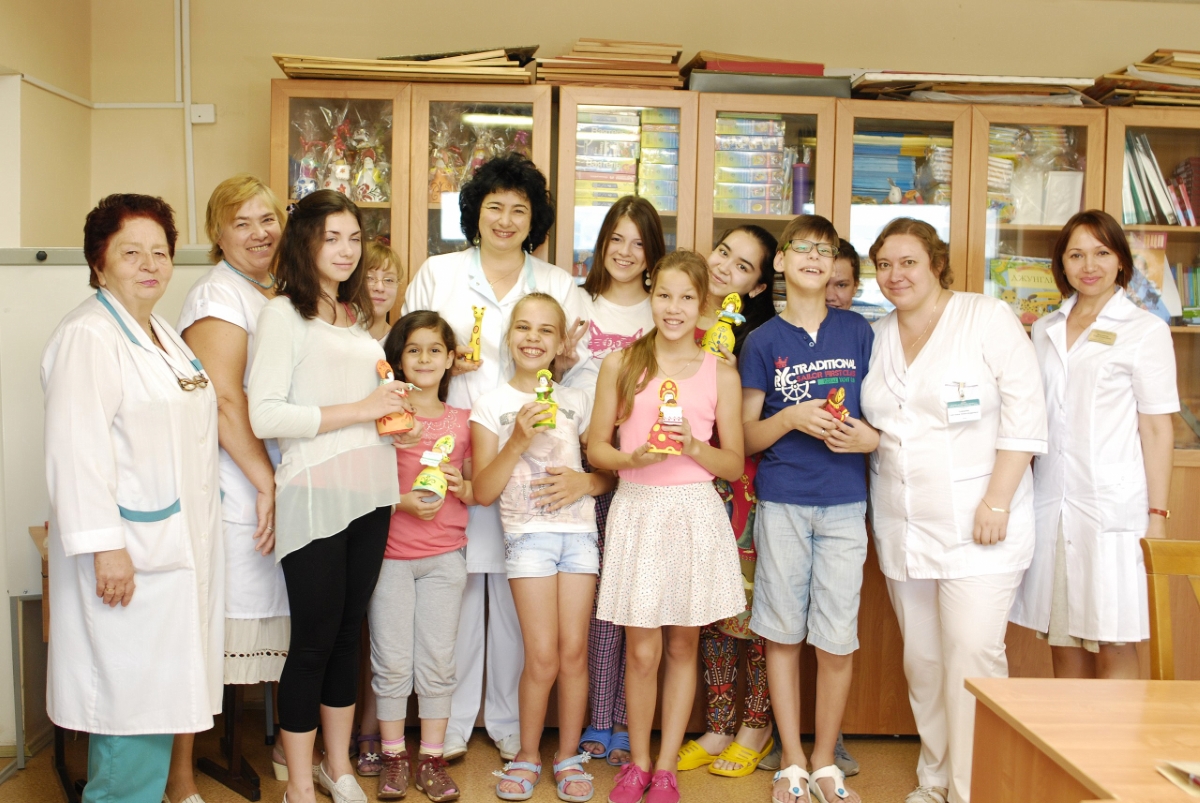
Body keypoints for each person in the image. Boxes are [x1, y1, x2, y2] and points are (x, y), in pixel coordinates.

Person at [403, 154, 592, 763]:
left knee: (519, 599)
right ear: (474, 214)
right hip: (449, 451)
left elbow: (584, 379)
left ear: (535, 219)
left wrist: (567, 374)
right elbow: (405, 351)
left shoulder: (559, 285)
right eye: (494, 207)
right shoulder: (438, 273)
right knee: (455, 591)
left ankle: (511, 723)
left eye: (519, 209)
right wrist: (441, 369)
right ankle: (454, 723)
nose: (506, 220)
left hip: (532, 467)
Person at [860, 218, 1047, 803]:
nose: (895, 275)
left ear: (937, 264)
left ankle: (976, 788)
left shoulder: (984, 317)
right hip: (904, 523)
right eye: (884, 264)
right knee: (923, 661)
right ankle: (935, 778)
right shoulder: (878, 334)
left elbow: (1026, 414)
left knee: (972, 656)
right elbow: (889, 425)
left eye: (908, 262)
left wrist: (997, 500)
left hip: (980, 522)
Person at [43, 194, 223, 803]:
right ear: (98, 262)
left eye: (160, 252)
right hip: (128, 554)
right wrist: (106, 548)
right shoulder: (88, 336)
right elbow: (76, 451)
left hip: (172, 546)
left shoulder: (160, 333)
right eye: (131, 252)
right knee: (130, 708)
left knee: (154, 699)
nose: (150, 264)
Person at [248, 190, 409, 803]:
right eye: (331, 238)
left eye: (354, 238)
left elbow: (363, 407)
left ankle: (336, 767)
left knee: (348, 636)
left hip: (370, 491)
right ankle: (298, 782)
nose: (346, 251)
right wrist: (363, 409)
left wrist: (390, 421)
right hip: (313, 493)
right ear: (305, 242)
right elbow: (266, 415)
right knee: (313, 641)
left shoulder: (354, 316)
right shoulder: (282, 315)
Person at [589, 250, 747, 803]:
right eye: (663, 295)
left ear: (703, 305)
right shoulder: (621, 363)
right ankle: (636, 763)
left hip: (693, 514)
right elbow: (597, 447)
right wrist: (630, 460)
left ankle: (665, 769)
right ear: (650, 295)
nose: (673, 308)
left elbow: (733, 465)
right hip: (638, 511)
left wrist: (695, 447)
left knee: (682, 647)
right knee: (641, 652)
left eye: (686, 298)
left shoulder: (720, 371)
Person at [740, 215, 877, 803]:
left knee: (837, 636)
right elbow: (745, 438)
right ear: (781, 261)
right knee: (782, 632)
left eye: (826, 250)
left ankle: (824, 760)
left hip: (846, 502)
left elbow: (886, 415)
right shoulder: (762, 341)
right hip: (783, 502)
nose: (815, 258)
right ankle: (792, 758)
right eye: (803, 248)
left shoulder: (860, 331)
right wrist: (792, 417)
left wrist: (869, 437)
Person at [1010, 210, 1178, 679]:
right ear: (1061, 264)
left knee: (1114, 641)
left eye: (1102, 253)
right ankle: (1072, 731)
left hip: (1113, 509)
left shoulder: (1145, 331)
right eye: (1076, 255)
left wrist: (1157, 516)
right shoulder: (1044, 329)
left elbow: (1156, 429)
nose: (1089, 266)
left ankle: (1116, 733)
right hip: (1053, 504)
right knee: (1063, 639)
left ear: (1121, 260)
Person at [171, 175, 293, 797]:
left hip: (275, 479)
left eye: (266, 219)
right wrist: (267, 482)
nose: (258, 233)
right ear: (217, 235)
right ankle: (179, 774)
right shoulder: (217, 295)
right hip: (237, 483)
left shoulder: (277, 288)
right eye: (240, 223)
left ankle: (287, 751)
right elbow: (222, 400)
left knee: (279, 630)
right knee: (205, 633)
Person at [472, 292, 610, 802]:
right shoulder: (491, 405)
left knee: (574, 653)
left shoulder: (578, 401)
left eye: (546, 330)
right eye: (523, 328)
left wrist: (585, 483)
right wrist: (516, 440)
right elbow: (482, 491)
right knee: (543, 656)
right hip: (527, 539)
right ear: (509, 337)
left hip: (580, 538)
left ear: (559, 344)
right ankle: (528, 754)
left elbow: (607, 475)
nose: (533, 338)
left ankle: (567, 756)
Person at [677, 225, 782, 780]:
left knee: (754, 607)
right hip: (687, 484)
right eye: (723, 253)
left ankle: (756, 725)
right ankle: (718, 724)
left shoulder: (757, 339)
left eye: (742, 265)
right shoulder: (675, 315)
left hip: (745, 484)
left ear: (758, 286)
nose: (723, 267)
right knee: (710, 610)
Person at [369, 311, 475, 802]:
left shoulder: (463, 421)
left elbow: (476, 488)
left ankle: (431, 759)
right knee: (392, 662)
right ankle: (393, 757)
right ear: (398, 359)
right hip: (389, 557)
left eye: (435, 349)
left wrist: (463, 485)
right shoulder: (385, 418)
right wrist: (401, 502)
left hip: (445, 560)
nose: (425, 358)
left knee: (437, 660)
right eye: (414, 349)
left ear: (451, 358)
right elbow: (363, 484)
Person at [575, 197, 665, 768]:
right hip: (579, 468)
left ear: (652, 253)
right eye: (617, 239)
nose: (626, 252)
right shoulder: (576, 302)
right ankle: (599, 718)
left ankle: (632, 723)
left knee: (638, 603)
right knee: (597, 604)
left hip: (642, 474)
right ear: (602, 242)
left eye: (638, 242)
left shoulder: (663, 312)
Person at [356, 234, 406, 775]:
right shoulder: (343, 336)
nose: (379, 286)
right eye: (370, 276)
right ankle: (339, 732)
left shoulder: (402, 339)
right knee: (349, 623)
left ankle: (374, 730)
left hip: (398, 484)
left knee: (382, 629)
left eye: (389, 278)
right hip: (351, 479)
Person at [366, 237, 404, 343]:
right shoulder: (334, 337)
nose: (379, 288)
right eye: (369, 278)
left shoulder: (401, 344)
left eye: (388, 280)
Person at [825, 239, 860, 312]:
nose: (829, 297)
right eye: (822, 284)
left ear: (855, 287)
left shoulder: (860, 320)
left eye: (841, 285)